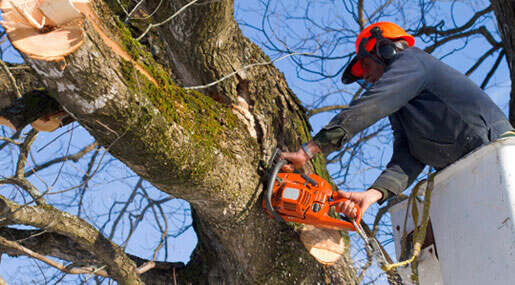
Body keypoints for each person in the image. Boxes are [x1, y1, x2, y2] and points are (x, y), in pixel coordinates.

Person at [281, 22, 513, 219]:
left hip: (496, 152)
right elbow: (408, 156)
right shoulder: (402, 107)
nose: (368, 77)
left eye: (367, 65)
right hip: (470, 173)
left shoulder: (413, 61)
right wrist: (372, 194)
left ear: (385, 50)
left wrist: (308, 150)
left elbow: (373, 104)